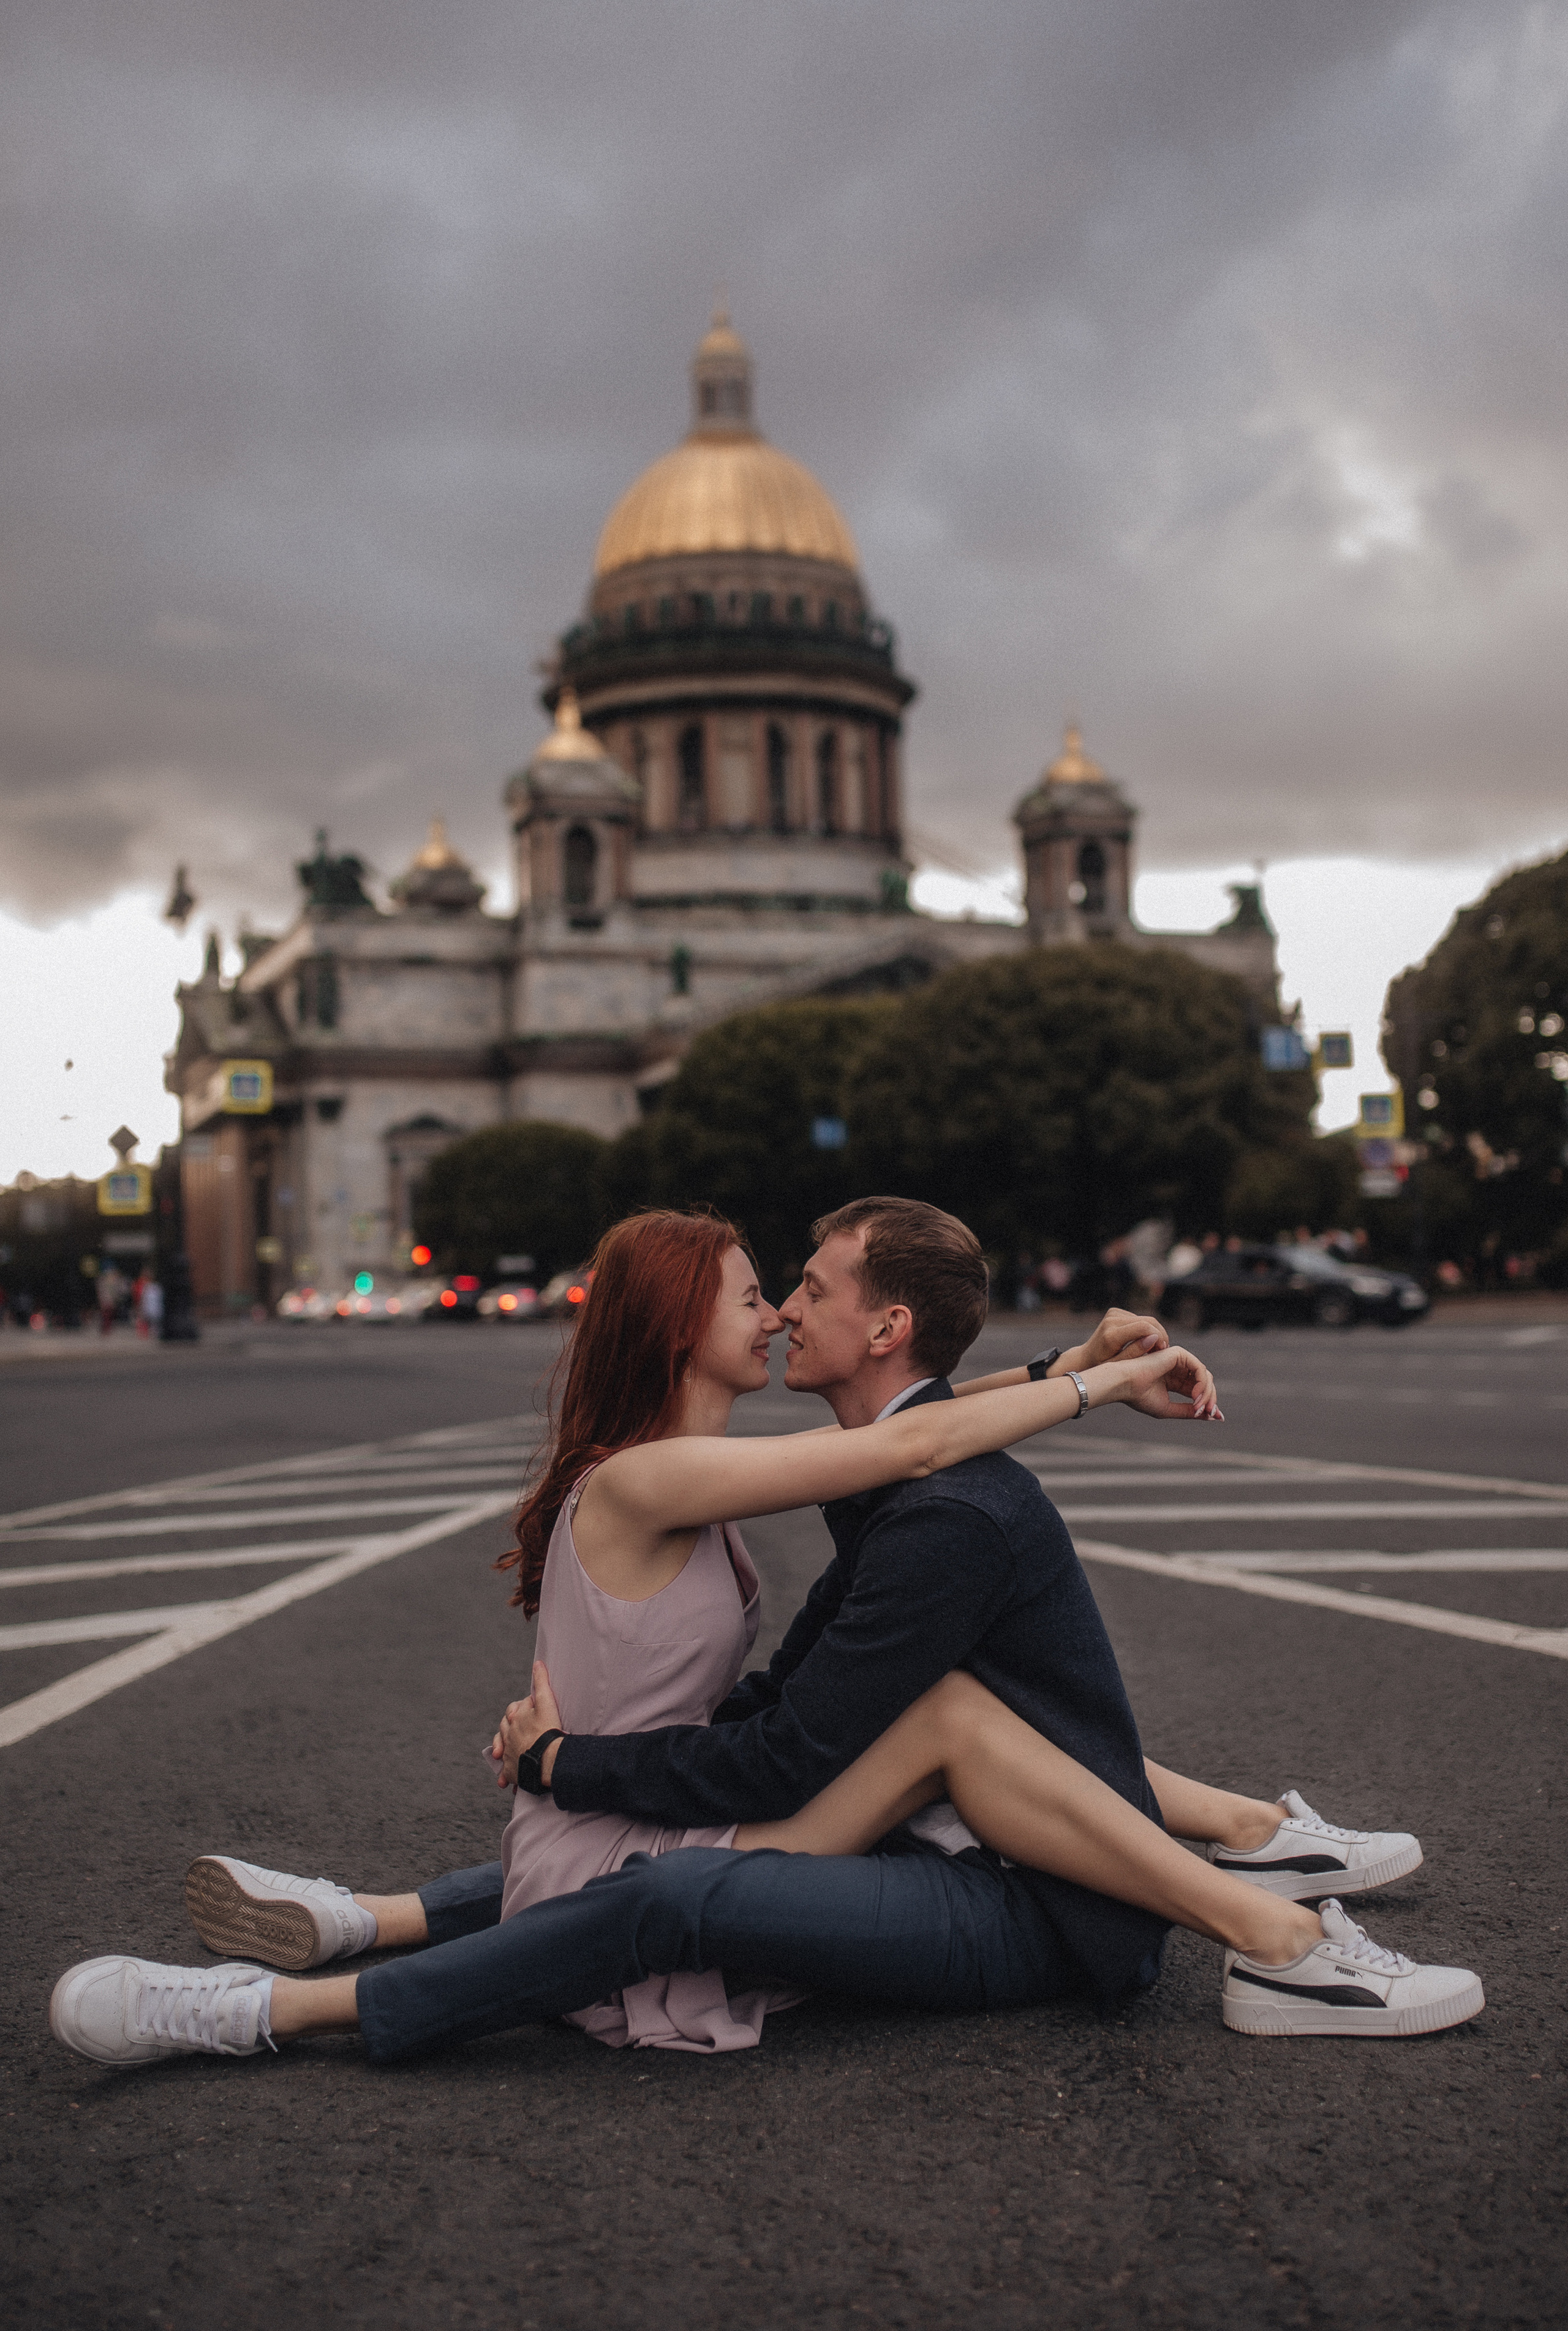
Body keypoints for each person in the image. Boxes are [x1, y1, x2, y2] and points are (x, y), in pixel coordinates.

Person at [48, 1202, 1482, 2067]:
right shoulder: (703, 1476)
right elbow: (873, 1515)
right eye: (759, 1292)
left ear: (884, 1327)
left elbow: (807, 1667)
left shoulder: (823, 1494)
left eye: (798, 1287)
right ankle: (320, 1966)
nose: (784, 1309)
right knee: (797, 1786)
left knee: (785, 1802)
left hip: (894, 1865)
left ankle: (304, 1979)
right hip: (806, 1833)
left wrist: (565, 1762)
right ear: (686, 1326)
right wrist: (1085, 1376)